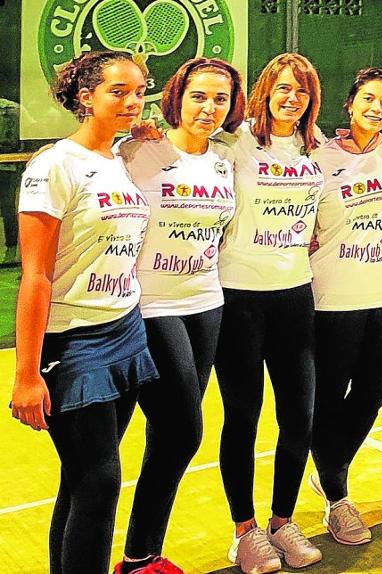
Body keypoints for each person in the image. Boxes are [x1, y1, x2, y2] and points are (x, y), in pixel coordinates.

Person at [11, 50, 157, 574]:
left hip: (124, 330)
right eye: (118, 91)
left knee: (80, 484)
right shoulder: (53, 165)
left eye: (138, 92)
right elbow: (36, 275)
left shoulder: (119, 158)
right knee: (99, 482)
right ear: (85, 96)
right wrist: (26, 374)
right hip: (73, 343)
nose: (132, 102)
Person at [115, 57, 244, 573]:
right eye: (199, 96)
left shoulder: (224, 159)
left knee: (166, 437)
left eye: (220, 98)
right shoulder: (139, 151)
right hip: (150, 307)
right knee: (184, 432)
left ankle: (142, 555)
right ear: (176, 96)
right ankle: (134, 555)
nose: (209, 108)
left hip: (206, 305)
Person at [214, 52, 325, 572]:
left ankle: (282, 521)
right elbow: (179, 145)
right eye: (282, 88)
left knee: (299, 414)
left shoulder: (317, 146)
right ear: (264, 91)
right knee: (243, 415)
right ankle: (245, 530)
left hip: (295, 295)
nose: (291, 98)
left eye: (300, 91)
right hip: (239, 297)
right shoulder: (234, 141)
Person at [306, 67, 382, 543]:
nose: (376, 108)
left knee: (370, 396)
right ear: (349, 105)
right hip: (334, 301)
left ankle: (329, 466)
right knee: (326, 402)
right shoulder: (318, 159)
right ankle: (337, 496)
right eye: (368, 99)